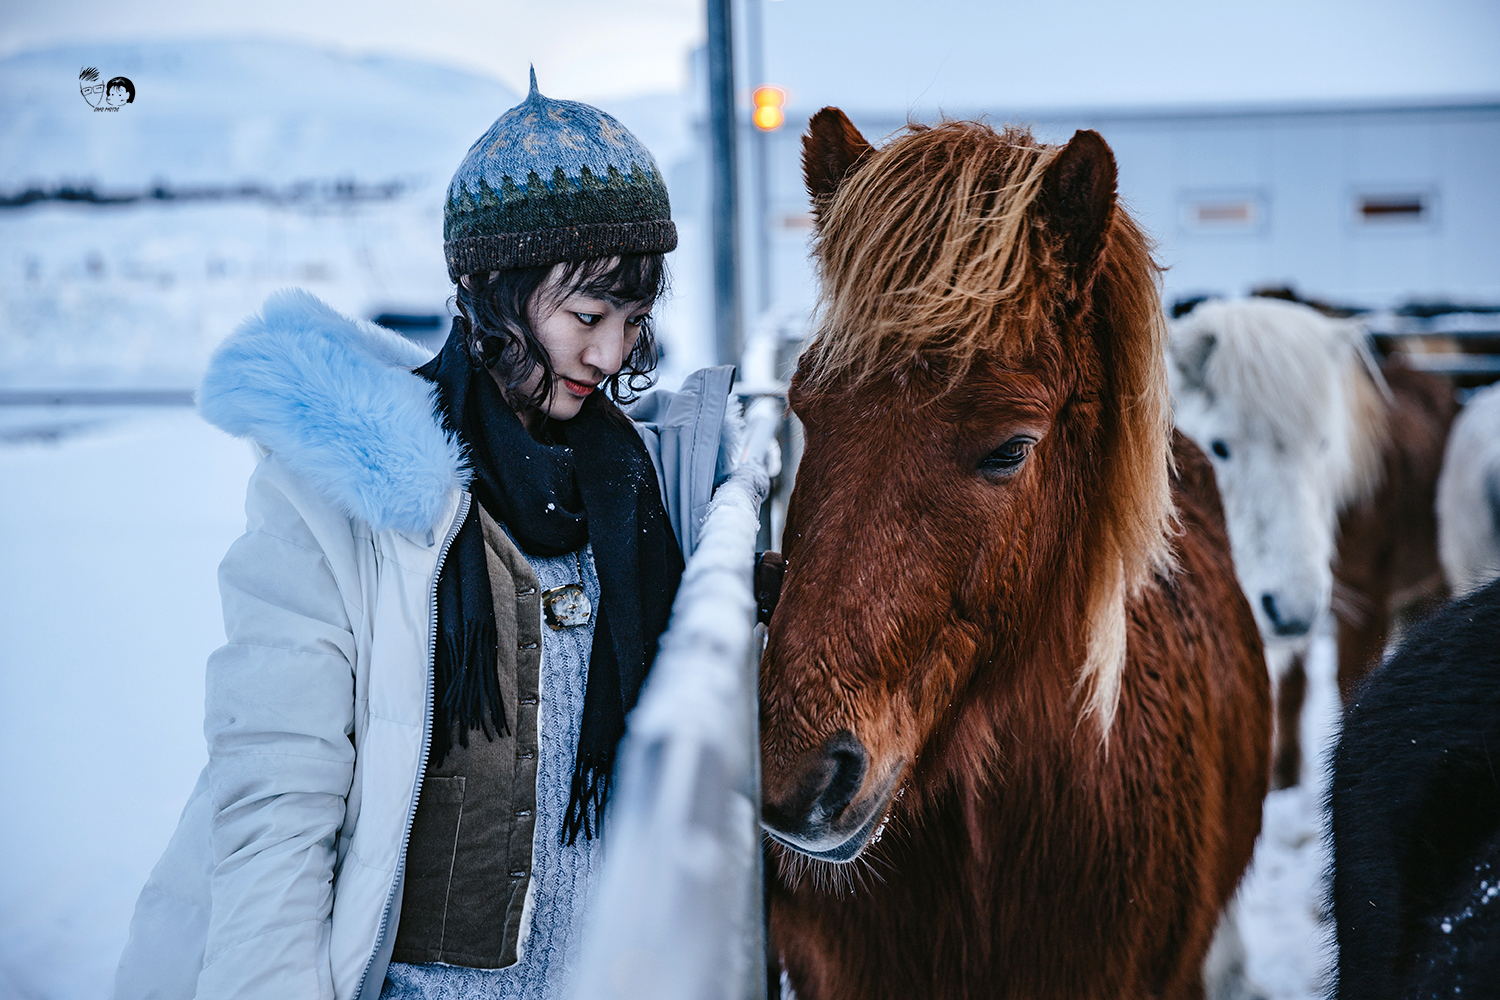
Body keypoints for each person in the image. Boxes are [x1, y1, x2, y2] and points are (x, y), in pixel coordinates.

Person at [114, 71, 741, 1000]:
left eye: (634, 321)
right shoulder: (342, 496)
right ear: (495, 295)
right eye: (587, 315)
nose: (611, 355)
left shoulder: (641, 485)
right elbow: (278, 789)